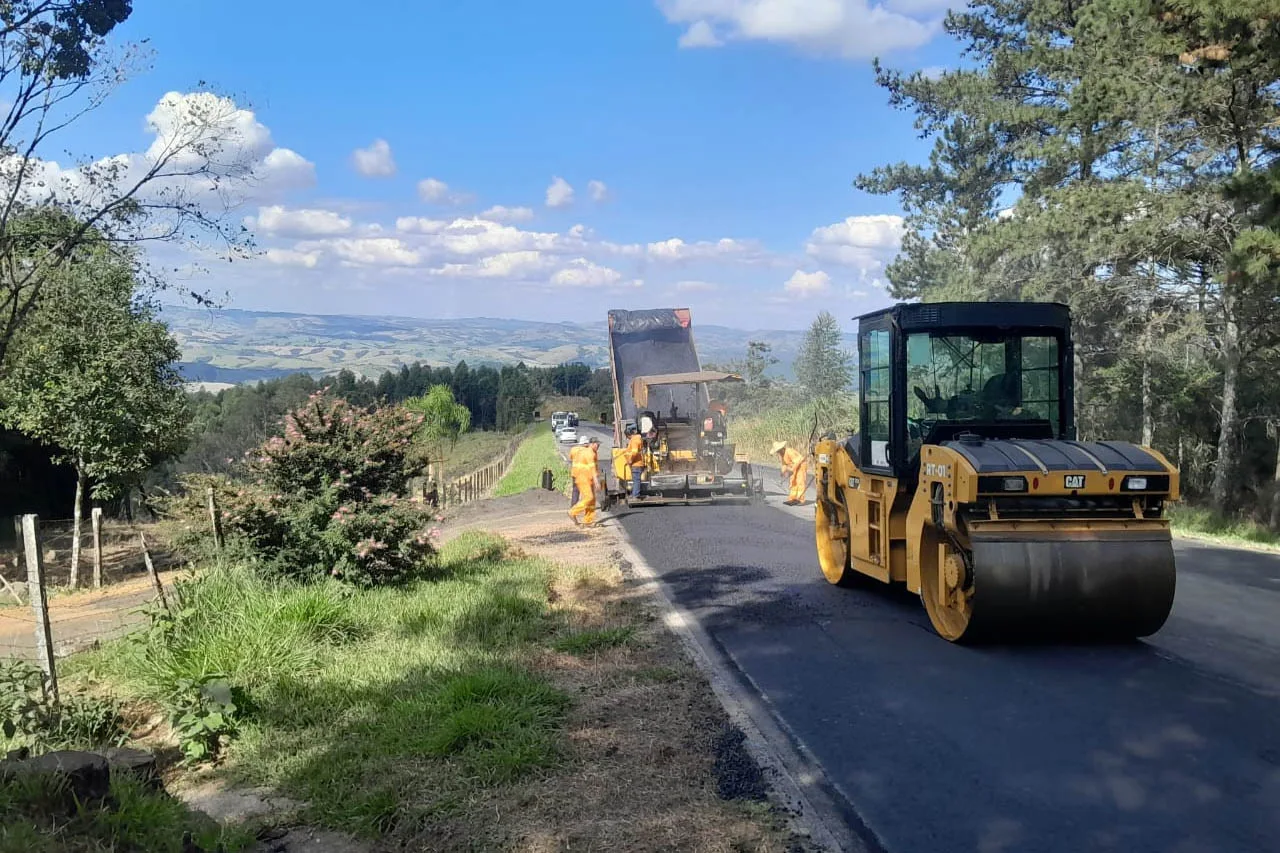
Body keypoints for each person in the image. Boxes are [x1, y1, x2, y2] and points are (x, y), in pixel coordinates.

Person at [569, 435, 599, 526]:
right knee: (588, 497)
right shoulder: (589, 453)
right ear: (589, 444)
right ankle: (573, 511)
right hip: (583, 477)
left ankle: (588, 520)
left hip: (577, 475)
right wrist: (596, 480)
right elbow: (592, 467)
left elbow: (571, 458)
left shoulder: (574, 450)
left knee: (587, 498)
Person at [772, 440, 808, 506]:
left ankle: (800, 499)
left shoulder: (789, 451)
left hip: (801, 465)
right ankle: (792, 498)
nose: (779, 452)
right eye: (777, 451)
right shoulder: (782, 455)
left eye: (779, 450)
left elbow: (798, 460)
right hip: (793, 467)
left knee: (800, 482)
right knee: (793, 481)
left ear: (782, 448)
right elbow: (784, 464)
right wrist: (783, 472)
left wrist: (791, 470)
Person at [625, 425, 646, 499]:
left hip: (636, 463)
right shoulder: (637, 439)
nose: (628, 438)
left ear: (629, 435)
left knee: (636, 479)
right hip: (637, 463)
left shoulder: (634, 440)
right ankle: (635, 493)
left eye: (627, 437)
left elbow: (634, 452)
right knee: (636, 479)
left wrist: (630, 460)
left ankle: (635, 495)